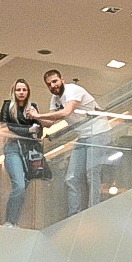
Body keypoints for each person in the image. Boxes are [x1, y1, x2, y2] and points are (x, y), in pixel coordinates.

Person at [44, 68, 109, 214]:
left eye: (55, 81)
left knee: (92, 172)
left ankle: (94, 210)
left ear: (62, 80)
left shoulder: (72, 90)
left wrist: (39, 116)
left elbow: (67, 111)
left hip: (99, 132)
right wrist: (32, 117)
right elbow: (49, 122)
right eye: (49, 84)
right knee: (71, 177)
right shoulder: (55, 99)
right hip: (83, 136)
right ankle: (74, 214)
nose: (53, 85)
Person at [0, 80, 48, 227]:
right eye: (18, 90)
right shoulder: (8, 106)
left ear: (28, 92)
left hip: (29, 151)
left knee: (23, 187)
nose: (21, 92)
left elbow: (38, 131)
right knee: (19, 185)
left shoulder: (32, 107)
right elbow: (6, 127)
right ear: (14, 91)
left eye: (24, 90)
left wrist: (35, 119)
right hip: (13, 147)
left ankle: (14, 222)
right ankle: (9, 221)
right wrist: (27, 130)